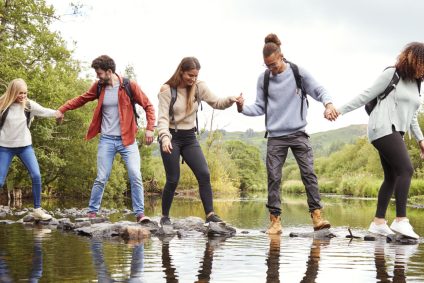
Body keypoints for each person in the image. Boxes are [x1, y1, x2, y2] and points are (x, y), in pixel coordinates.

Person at [236, 33, 337, 234]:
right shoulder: (264, 79)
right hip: (275, 137)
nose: (271, 69)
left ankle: (317, 217)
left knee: (308, 174)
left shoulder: (298, 73)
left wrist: (328, 104)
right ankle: (275, 222)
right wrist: (241, 108)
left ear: (281, 56)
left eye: (273, 65)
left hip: (298, 133)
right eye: (267, 66)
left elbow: (319, 90)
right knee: (273, 178)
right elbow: (259, 107)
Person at [335, 42, 424, 239]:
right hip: (381, 127)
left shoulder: (417, 83)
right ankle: (401, 220)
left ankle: (378, 222)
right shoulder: (392, 74)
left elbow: (412, 116)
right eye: (423, 64)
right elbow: (366, 95)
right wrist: (339, 110)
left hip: (396, 132)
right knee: (406, 169)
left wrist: (420, 140)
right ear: (413, 60)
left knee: (392, 176)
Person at [57, 55, 155, 223]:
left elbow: (148, 106)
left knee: (135, 175)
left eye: (100, 73)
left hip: (128, 140)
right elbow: (82, 99)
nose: (97, 76)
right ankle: (92, 212)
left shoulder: (128, 85)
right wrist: (62, 109)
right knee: (101, 177)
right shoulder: (99, 87)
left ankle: (140, 214)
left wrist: (150, 129)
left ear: (110, 72)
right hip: (107, 140)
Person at [157, 57, 239, 225]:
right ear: (181, 71)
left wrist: (231, 99)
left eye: (195, 75)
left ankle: (210, 215)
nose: (193, 79)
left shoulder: (198, 87)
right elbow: (163, 119)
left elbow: (216, 102)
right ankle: (165, 216)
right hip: (171, 137)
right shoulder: (167, 90)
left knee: (204, 173)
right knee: (173, 179)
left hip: (189, 138)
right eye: (190, 75)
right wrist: (164, 138)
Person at [0, 78, 62, 221]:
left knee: (36, 176)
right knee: (0, 181)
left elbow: (44, 111)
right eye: (19, 93)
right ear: (12, 92)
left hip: (25, 146)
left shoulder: (28, 105)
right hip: (5, 147)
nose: (22, 96)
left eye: (25, 93)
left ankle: (37, 210)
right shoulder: (2, 105)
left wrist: (58, 113)